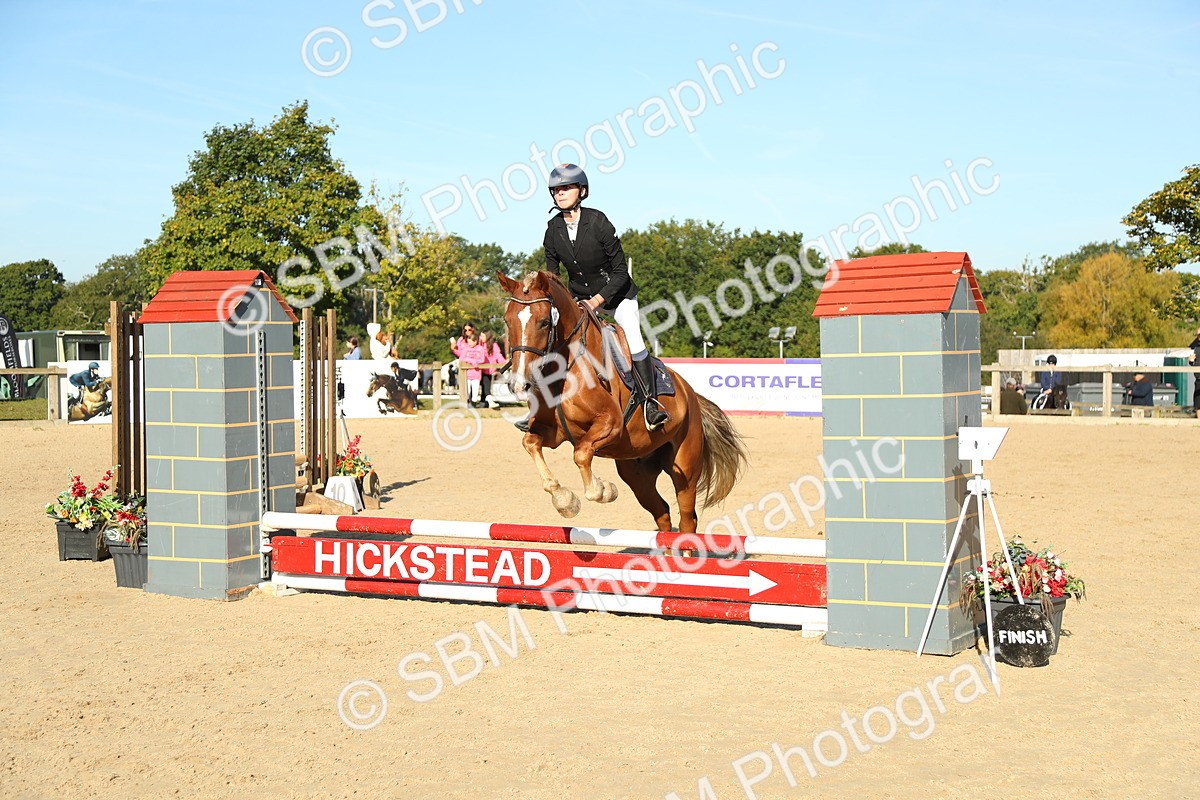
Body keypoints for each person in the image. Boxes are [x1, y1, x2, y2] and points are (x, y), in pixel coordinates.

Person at [542, 163, 668, 430]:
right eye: (556, 189)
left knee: (633, 337)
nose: (560, 193)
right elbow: (552, 278)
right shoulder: (553, 229)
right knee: (552, 337)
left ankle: (650, 402)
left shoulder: (598, 221)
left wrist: (596, 301)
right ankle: (541, 407)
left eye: (566, 187)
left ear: (582, 191)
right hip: (580, 300)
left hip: (617, 297)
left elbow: (621, 273)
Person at [450, 323, 487, 407]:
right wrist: (454, 349)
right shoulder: (461, 341)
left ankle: (476, 404)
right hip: (467, 372)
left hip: (477, 373)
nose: (467, 331)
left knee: (476, 391)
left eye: (469, 329)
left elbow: (482, 357)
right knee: (467, 390)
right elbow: (461, 356)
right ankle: (467, 404)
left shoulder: (479, 344)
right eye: (465, 330)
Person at [478, 330, 505, 408]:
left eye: (482, 336)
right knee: (485, 386)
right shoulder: (479, 345)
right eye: (480, 336)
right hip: (480, 370)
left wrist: (503, 363)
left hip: (489, 370)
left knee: (485, 387)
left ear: (487, 337)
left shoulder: (494, 345)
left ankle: (483, 404)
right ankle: (489, 402)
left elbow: (498, 355)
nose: (481, 338)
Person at [1190, 328, 1200, 418]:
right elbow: (1193, 364)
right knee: (1197, 402)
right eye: (1197, 335)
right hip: (1198, 378)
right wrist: (1191, 361)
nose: (1198, 337)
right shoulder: (1196, 347)